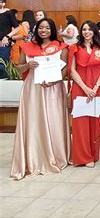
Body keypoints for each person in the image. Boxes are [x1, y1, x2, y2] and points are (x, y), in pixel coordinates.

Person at [10, 18, 70, 180]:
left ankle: (56, 155)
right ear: (37, 30)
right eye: (41, 28)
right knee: (33, 121)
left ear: (52, 29)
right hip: (33, 89)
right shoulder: (28, 47)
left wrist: (54, 81)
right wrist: (28, 66)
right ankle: (33, 156)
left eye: (47, 28)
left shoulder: (61, 47)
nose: (44, 30)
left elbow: (64, 69)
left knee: (53, 120)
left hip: (53, 89)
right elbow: (19, 67)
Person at [69, 21, 100, 167]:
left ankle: (93, 154)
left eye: (89, 29)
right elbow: (72, 70)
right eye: (84, 29)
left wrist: (96, 87)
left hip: (97, 88)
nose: (86, 32)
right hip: (80, 88)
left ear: (94, 31)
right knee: (81, 123)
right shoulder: (75, 48)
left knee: (95, 122)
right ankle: (83, 157)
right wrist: (85, 88)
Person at [0, 0, 19, 78]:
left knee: (3, 65)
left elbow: (17, 28)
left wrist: (7, 37)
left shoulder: (9, 13)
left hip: (4, 42)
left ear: (4, 3)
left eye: (1, 2)